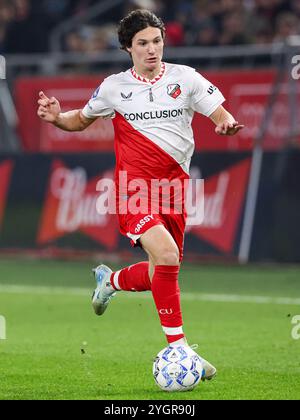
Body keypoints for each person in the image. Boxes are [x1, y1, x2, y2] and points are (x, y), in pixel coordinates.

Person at [37, 9, 244, 380]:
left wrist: (225, 123)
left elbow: (219, 112)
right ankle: (179, 350)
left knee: (161, 270)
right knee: (166, 256)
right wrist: (57, 118)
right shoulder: (115, 87)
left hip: (176, 192)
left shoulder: (186, 78)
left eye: (157, 41)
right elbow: (81, 119)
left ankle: (110, 281)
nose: (152, 50)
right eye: (143, 44)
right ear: (127, 48)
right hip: (134, 192)